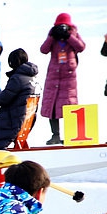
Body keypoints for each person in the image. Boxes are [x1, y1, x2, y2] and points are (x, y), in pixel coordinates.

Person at [40, 13, 85, 146]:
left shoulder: (74, 34)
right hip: (53, 76)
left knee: (69, 105)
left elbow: (81, 47)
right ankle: (55, 135)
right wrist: (51, 36)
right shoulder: (52, 35)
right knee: (52, 106)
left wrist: (69, 36)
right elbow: (44, 49)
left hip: (68, 77)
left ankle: (71, 136)